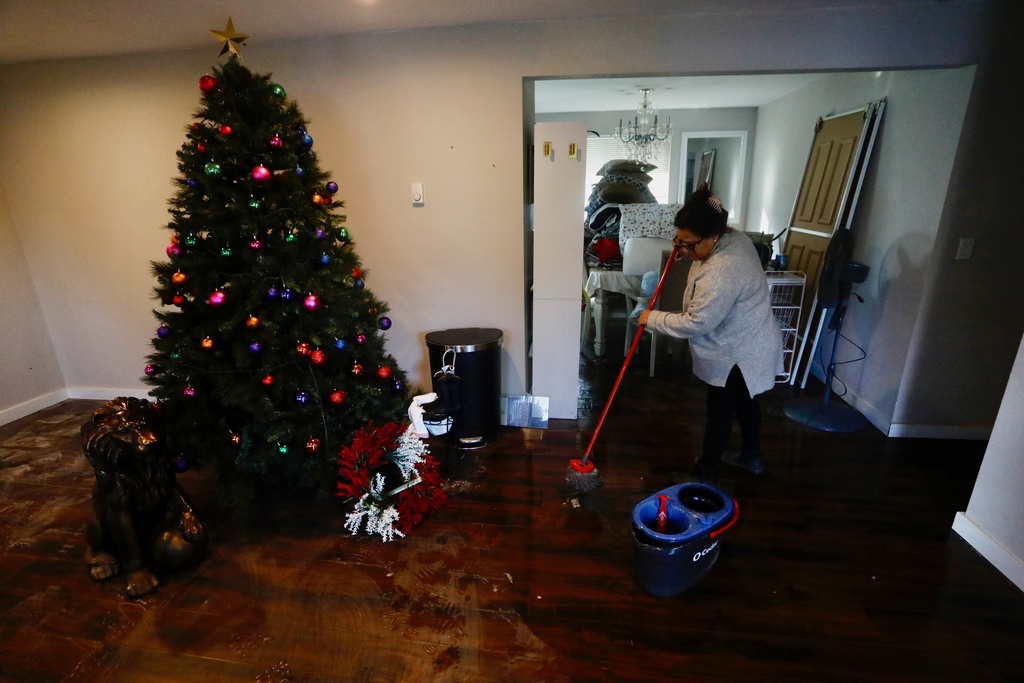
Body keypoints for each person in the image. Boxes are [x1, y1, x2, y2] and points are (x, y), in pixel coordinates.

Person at [638, 187, 783, 485]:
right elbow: (700, 262)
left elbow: (697, 321)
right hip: (750, 338)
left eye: (688, 243)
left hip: (739, 350)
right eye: (678, 240)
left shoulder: (724, 268)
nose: (682, 248)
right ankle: (752, 456)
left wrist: (652, 318)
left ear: (712, 236)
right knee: (746, 402)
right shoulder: (732, 237)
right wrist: (685, 250)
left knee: (720, 409)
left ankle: (706, 474)